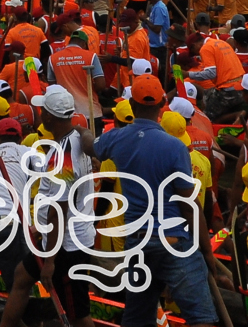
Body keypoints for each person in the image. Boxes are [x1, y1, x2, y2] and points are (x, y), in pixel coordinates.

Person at [94, 73, 219, 327]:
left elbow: (91, 145)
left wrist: (78, 133)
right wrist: (207, 253)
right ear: (163, 102)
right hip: (172, 241)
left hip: (137, 243)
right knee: (202, 317)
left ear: (133, 104)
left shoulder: (118, 138)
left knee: (137, 318)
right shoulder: (174, 147)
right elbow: (190, 206)